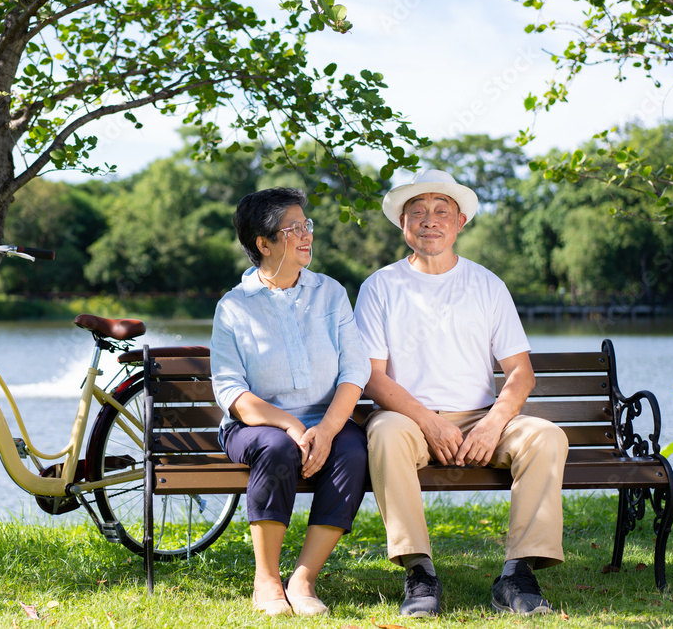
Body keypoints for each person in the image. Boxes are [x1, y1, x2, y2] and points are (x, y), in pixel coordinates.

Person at [353, 169, 568, 617]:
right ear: (403, 224)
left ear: (460, 222)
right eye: (418, 212)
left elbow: (520, 374)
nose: (429, 220)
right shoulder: (379, 287)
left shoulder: (488, 284)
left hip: (480, 420)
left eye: (441, 211)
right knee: (386, 432)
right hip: (409, 420)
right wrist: (429, 423)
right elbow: (372, 378)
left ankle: (516, 574)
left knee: (547, 436)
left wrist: (492, 423)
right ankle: (419, 571)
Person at [211, 187, 371, 617]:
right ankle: (266, 580)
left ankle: (303, 578)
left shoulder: (331, 293)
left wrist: (329, 428)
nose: (306, 235)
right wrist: (293, 426)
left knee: (353, 451)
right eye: (293, 228)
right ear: (263, 244)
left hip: (328, 420)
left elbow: (354, 370)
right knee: (278, 447)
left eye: (307, 225)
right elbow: (231, 393)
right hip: (254, 429)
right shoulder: (233, 307)